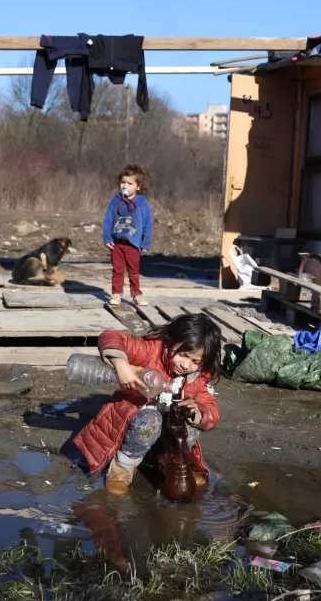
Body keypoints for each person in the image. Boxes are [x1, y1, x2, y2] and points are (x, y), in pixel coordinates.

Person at [73, 314, 222, 495]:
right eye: (183, 355)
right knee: (149, 420)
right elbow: (111, 336)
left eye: (195, 362)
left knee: (188, 425)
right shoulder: (151, 350)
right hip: (134, 429)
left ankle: (168, 464)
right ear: (170, 341)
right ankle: (122, 470)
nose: (185, 364)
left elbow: (212, 412)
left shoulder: (198, 378)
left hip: (164, 439)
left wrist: (199, 411)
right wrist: (121, 364)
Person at [102, 164, 153, 307]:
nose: (125, 186)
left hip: (133, 244)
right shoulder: (115, 200)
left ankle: (136, 294)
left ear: (138, 186)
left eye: (130, 183)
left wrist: (145, 243)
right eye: (123, 182)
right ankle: (116, 293)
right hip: (117, 244)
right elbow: (108, 220)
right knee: (117, 270)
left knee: (133, 271)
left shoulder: (142, 203)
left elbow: (148, 224)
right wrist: (107, 238)